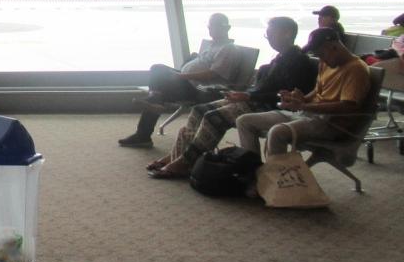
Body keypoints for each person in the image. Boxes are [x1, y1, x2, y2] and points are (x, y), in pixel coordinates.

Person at [145, 16, 316, 178]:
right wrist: (245, 94)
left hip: (268, 106)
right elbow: (263, 89)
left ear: (287, 34)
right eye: (267, 34)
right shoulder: (280, 58)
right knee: (199, 110)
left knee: (213, 118)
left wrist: (248, 96)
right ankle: (177, 155)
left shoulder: (297, 62)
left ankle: (185, 162)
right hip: (253, 99)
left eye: (271, 33)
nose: (268, 38)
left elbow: (285, 96)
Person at [234, 27, 371, 158]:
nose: (321, 59)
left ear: (333, 46)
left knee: (277, 133)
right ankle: (253, 168)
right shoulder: (326, 63)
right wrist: (301, 99)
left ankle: (278, 173)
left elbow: (348, 106)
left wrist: (304, 106)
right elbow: (318, 91)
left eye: (321, 54)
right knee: (244, 121)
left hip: (330, 123)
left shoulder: (356, 69)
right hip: (308, 115)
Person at [118, 12, 243, 148]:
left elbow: (211, 74)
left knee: (159, 76)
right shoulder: (214, 45)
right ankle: (155, 101)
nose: (210, 29)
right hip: (187, 81)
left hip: (197, 89)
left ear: (226, 28)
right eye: (209, 26)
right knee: (157, 68)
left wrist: (182, 76)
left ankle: (146, 125)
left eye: (214, 26)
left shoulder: (228, 49)